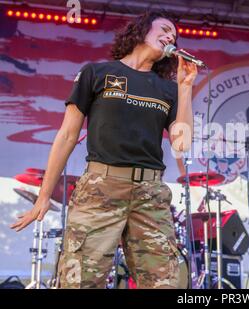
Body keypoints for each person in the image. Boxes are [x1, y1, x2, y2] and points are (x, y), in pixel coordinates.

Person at [10, 11, 198, 289]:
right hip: (101, 188)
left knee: (165, 283)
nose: (171, 36)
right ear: (141, 31)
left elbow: (181, 144)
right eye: (165, 29)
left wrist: (184, 89)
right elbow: (67, 135)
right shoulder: (96, 73)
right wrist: (44, 196)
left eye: (174, 35)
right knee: (80, 281)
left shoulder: (167, 89)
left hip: (150, 195)